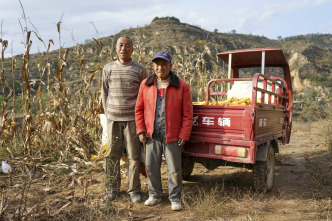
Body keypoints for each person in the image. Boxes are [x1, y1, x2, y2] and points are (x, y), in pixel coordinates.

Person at [135, 51, 193, 211]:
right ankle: (155, 195)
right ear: (153, 66)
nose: (160, 67)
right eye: (157, 64)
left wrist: (184, 134)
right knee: (151, 167)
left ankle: (175, 198)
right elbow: (139, 109)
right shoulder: (145, 85)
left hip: (172, 136)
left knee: (174, 169)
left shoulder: (182, 86)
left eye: (164, 64)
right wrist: (141, 130)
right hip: (151, 135)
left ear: (170, 66)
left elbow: (188, 114)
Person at [101, 36, 148, 203]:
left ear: (132, 49)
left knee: (134, 156)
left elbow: (144, 96)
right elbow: (104, 93)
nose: (124, 49)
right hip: (113, 120)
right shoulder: (108, 68)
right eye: (120, 45)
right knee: (112, 155)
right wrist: (108, 115)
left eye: (127, 46)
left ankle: (134, 190)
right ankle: (112, 190)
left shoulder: (140, 70)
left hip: (133, 121)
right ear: (116, 48)